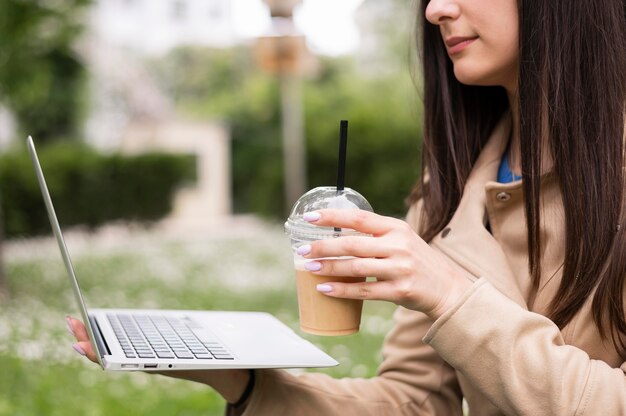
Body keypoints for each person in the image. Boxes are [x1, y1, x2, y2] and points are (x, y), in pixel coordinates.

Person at [67, 0, 626, 414]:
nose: (434, 10)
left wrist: (452, 295)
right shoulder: (449, 188)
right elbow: (409, 402)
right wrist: (244, 381)